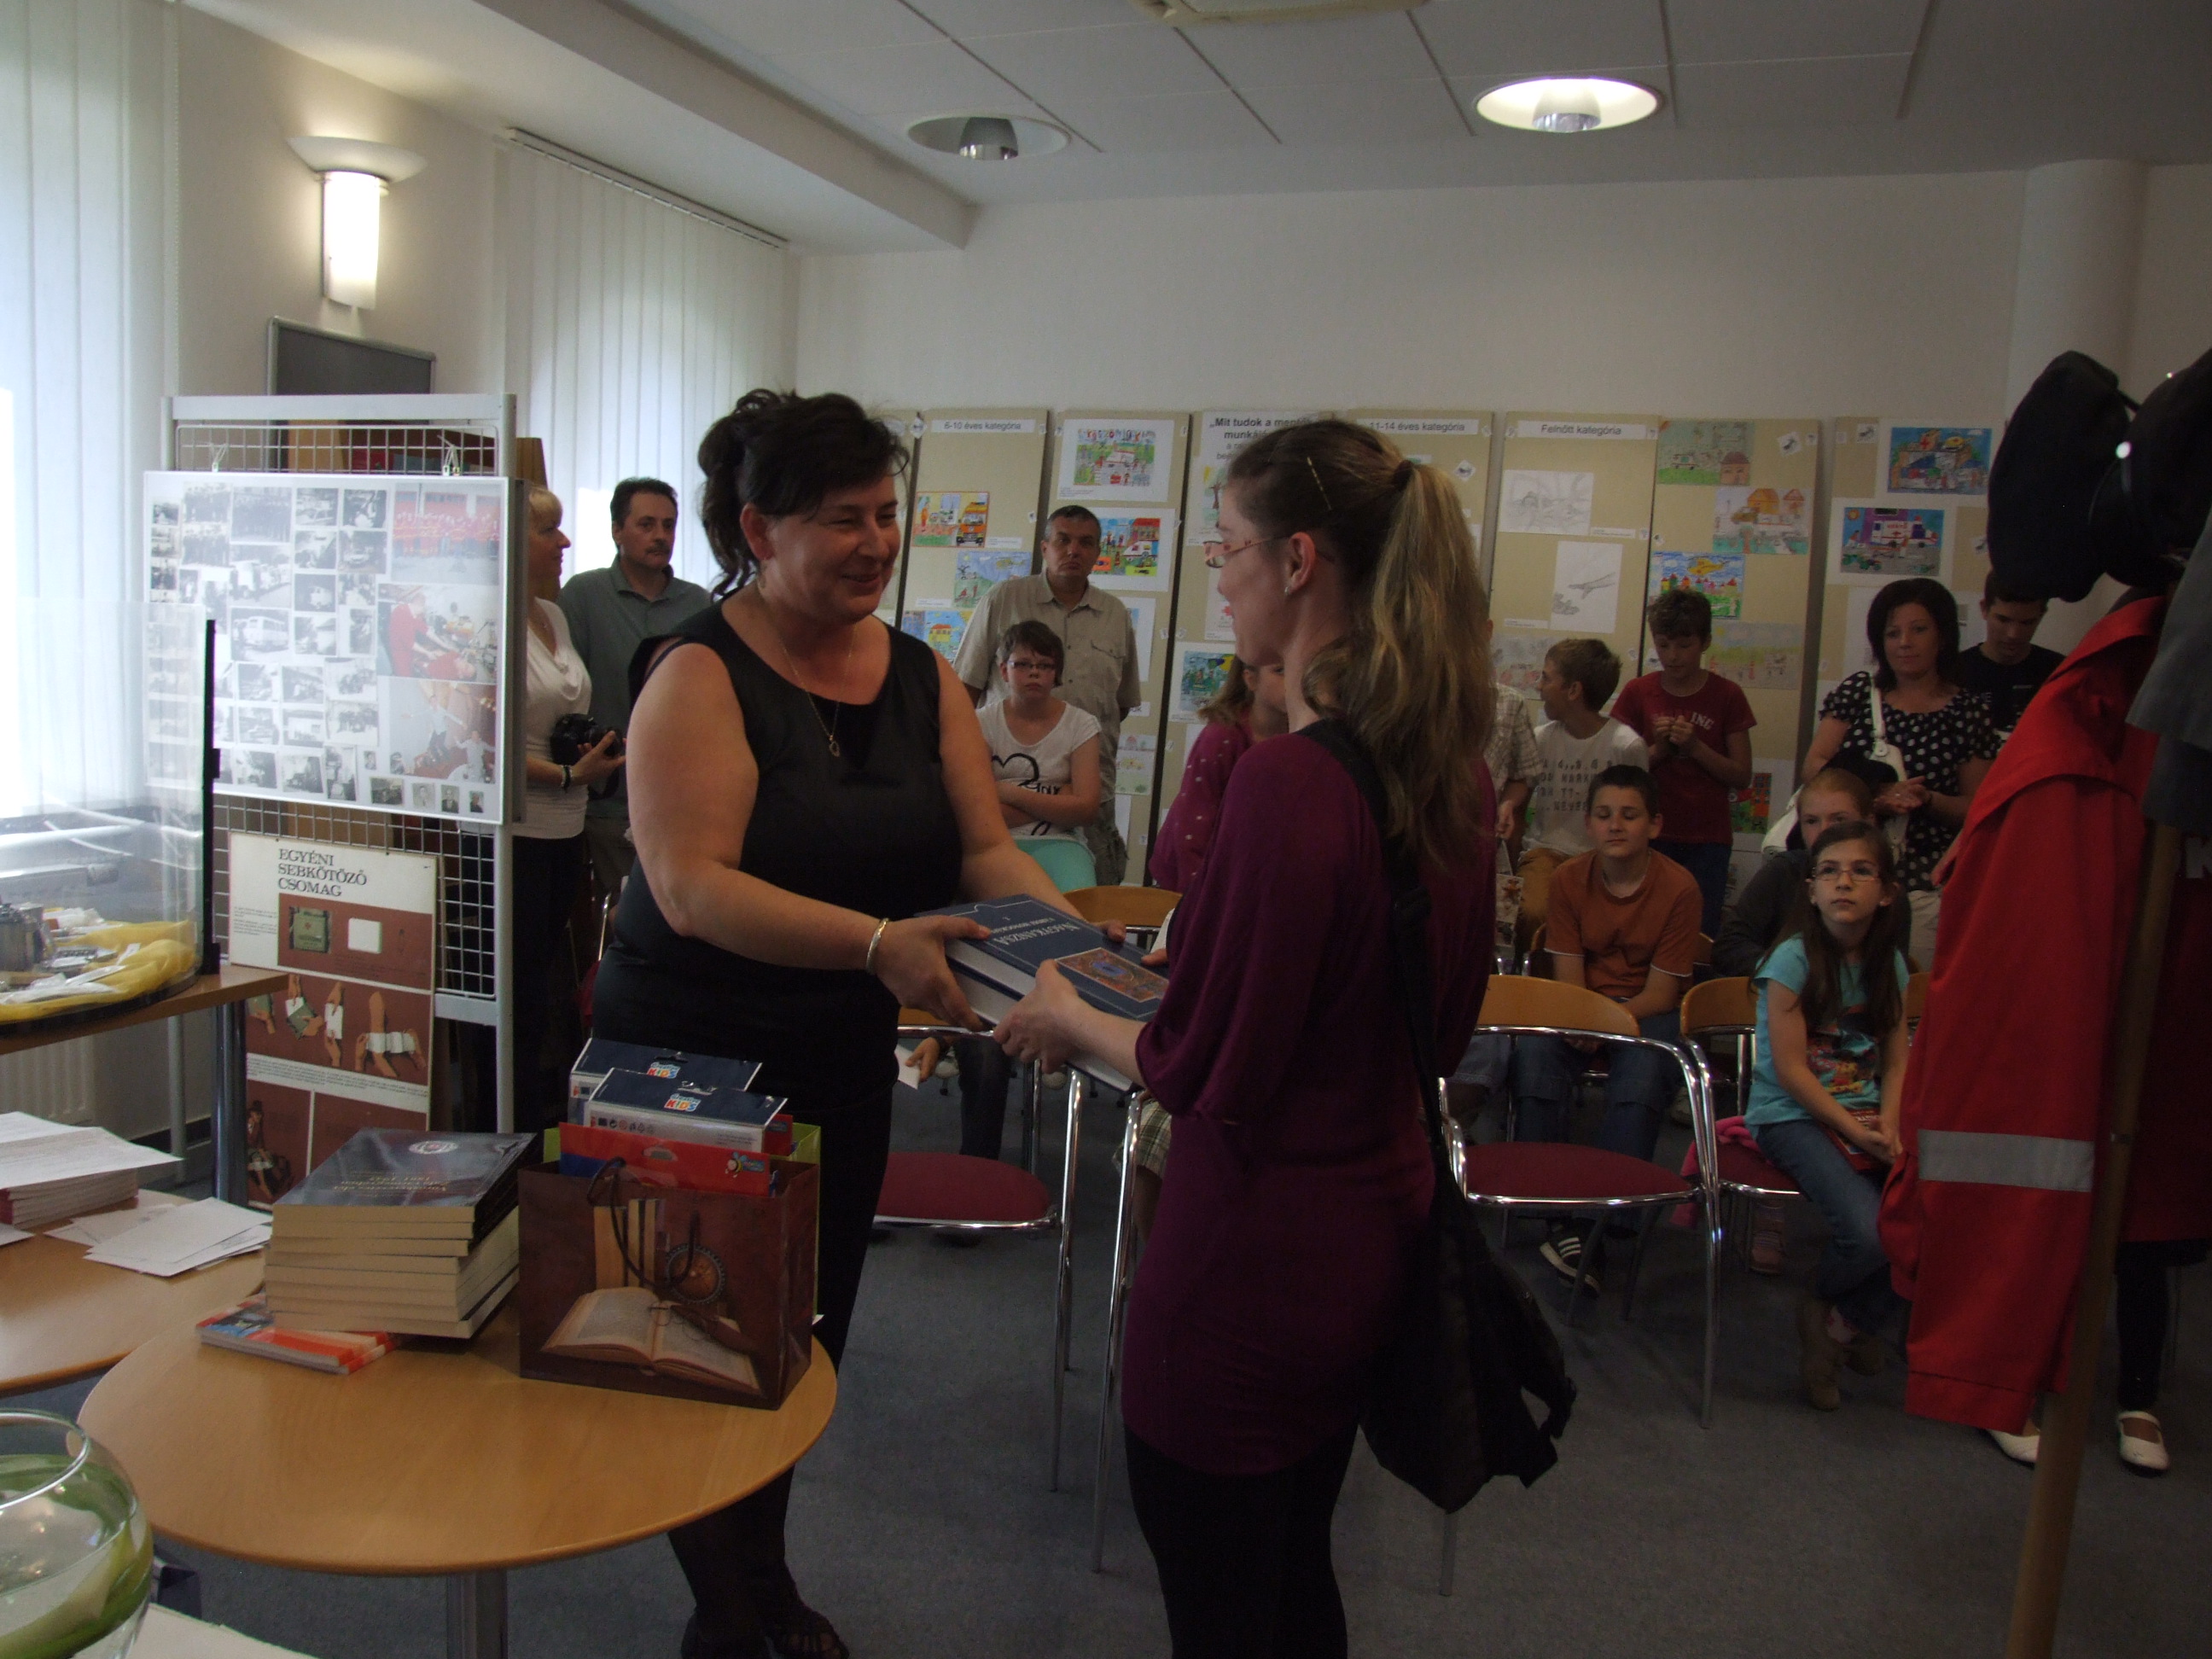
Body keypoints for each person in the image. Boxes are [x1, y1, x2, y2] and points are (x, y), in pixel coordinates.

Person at [591, 389, 1084, 1659]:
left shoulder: (919, 674)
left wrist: (1089, 961)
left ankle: (757, 1583)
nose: (876, 543)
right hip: (694, 1062)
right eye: (843, 520)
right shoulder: (696, 672)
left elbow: (986, 851)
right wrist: (876, 944)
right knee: (705, 1351)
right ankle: (736, 1612)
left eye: (886, 514)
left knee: (808, 1343)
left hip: (839, 1054)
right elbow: (691, 889)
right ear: (759, 529)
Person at [996, 419, 1495, 1659]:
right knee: (1296, 1578)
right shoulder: (1454, 775)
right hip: (1375, 1238)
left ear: (1300, 560)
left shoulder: (1289, 783)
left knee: (1221, 1600)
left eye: (1227, 546)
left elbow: (1204, 1070)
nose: (1217, 576)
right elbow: (1436, 1029)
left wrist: (1069, 1014)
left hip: (1249, 1260)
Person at [1509, 765, 1701, 1289]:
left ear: (1654, 825)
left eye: (1630, 815)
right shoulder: (1569, 880)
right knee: (1535, 1056)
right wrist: (1587, 1017)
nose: (1616, 825)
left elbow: (1663, 993)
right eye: (1604, 814)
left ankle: (1606, 1215)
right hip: (1584, 1004)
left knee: (1644, 1075)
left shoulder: (1680, 888)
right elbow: (1568, 976)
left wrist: (1610, 1022)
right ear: (1589, 824)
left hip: (1646, 1008)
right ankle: (1546, 1203)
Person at [1743, 820, 1912, 1412]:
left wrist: (1889, 1124)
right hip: (1790, 1113)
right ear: (1811, 890)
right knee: (1868, 1234)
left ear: (1887, 893)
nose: (1844, 882)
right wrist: (1854, 1130)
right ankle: (1823, 1306)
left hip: (1863, 1112)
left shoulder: (1889, 964)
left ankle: (1844, 1322)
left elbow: (1896, 1060)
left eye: (1862, 871)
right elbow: (1791, 1072)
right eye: (1830, 872)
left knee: (1924, 1218)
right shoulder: (1791, 959)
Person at [934, 620, 1106, 1164]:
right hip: (992, 849)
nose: (1034, 674)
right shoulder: (979, 720)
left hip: (1062, 846)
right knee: (985, 941)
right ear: (1002, 670)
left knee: (1072, 939)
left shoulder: (1080, 723)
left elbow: (1085, 809)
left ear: (1057, 673)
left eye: (1044, 666)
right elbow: (972, 814)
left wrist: (1005, 790)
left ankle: (1059, 1035)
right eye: (1023, 664)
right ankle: (971, 1037)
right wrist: (1050, 793)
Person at [1802, 579, 1996, 969]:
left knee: (1911, 980)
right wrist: (1874, 796)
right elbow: (1814, 767)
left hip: (1925, 880)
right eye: (1892, 633)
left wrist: (1926, 800)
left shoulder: (1967, 710)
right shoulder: (1859, 692)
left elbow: (1977, 805)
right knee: (1834, 974)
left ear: (1942, 635)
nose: (1905, 642)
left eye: (1918, 629)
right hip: (1848, 868)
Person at [954, 505, 1143, 883]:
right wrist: (1047, 796)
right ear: (1044, 547)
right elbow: (964, 692)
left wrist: (1074, 762)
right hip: (1001, 797)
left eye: (1086, 543)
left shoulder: (1115, 615)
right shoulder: (1003, 600)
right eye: (1063, 540)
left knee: (1089, 901)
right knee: (999, 901)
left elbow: (1119, 704)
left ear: (1098, 552)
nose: (1074, 550)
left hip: (1090, 789)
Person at [515, 487, 624, 1135]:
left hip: (567, 824)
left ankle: (543, 1118)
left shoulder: (552, 615)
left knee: (551, 980)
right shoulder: (480, 624)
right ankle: (515, 1124)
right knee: (520, 985)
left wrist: (586, 760)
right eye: (547, 531)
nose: (563, 543)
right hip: (517, 832)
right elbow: (479, 745)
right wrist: (564, 773)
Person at [559, 478, 712, 899]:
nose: (661, 536)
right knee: (615, 913)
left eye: (669, 525)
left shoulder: (698, 604)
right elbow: (563, 692)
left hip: (682, 798)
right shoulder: (584, 596)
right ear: (617, 530)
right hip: (606, 796)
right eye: (646, 524)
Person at [1611, 587, 1755, 936]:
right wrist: (1659, 750)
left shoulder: (1727, 695)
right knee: (1639, 929)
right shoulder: (1638, 692)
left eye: (1684, 645)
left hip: (1707, 840)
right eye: (1663, 645)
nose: (1673, 656)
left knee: (1697, 934)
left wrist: (1696, 748)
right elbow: (1617, 774)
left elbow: (1741, 775)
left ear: (1705, 642)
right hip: (1646, 833)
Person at [1516, 639, 1648, 951]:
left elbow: (1638, 819)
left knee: (1600, 927)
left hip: (1602, 859)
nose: (1539, 687)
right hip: (1545, 852)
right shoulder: (1541, 739)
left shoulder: (1625, 745)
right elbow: (1520, 801)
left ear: (1573, 690)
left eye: (1547, 678)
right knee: (1533, 912)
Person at [1711, 769, 1877, 978]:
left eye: (1839, 819)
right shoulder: (1783, 872)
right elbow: (1728, 946)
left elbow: (1886, 968)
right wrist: (1788, 971)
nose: (1824, 831)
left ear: (1869, 822)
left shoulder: (1883, 886)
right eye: (1811, 821)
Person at [1149, 657, 1289, 893]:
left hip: (1250, 870)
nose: (1295, 680)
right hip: (1194, 872)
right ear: (1251, 679)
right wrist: (1198, 896)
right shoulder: (1222, 737)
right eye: (1280, 670)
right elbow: (1192, 828)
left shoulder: (1305, 736)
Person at [1950, 572, 2064, 737]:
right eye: (2003, 620)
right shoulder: (1952, 671)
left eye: (2026, 623)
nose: (2013, 634)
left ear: (2042, 616)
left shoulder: (2061, 672)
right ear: (1984, 609)